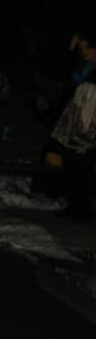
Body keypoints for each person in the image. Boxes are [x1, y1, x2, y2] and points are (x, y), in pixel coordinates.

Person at [50, 30, 96, 220]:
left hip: (90, 119)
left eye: (86, 48)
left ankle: (83, 206)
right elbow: (64, 74)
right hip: (75, 118)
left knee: (84, 164)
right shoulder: (81, 67)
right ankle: (75, 204)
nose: (83, 52)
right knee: (71, 163)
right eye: (81, 49)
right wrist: (70, 50)